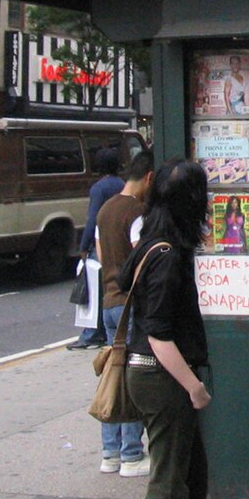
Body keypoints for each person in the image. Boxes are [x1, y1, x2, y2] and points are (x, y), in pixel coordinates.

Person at [121, 159, 212, 499]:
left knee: (190, 475)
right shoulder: (167, 255)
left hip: (154, 375)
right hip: (163, 378)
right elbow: (159, 333)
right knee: (170, 482)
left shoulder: (151, 241)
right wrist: (194, 387)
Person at [95, 149, 154, 477]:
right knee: (131, 378)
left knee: (113, 374)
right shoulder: (137, 212)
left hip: (108, 301)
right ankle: (132, 454)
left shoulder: (105, 210)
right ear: (148, 178)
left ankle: (110, 453)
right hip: (130, 303)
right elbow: (140, 257)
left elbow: (102, 252)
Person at [68, 148, 124, 351]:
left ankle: (91, 333)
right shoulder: (121, 185)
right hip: (117, 240)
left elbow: (93, 220)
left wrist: (83, 247)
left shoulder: (99, 189)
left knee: (94, 289)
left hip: (99, 242)